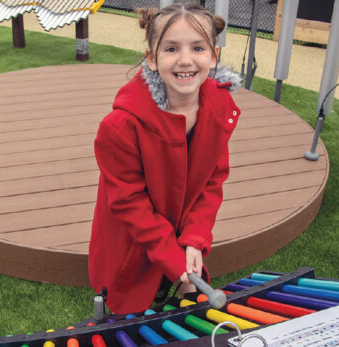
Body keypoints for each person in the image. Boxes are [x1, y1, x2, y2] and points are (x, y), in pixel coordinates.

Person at [88, 2, 243, 314]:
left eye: (198, 48)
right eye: (171, 49)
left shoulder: (219, 108)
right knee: (125, 312)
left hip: (180, 229)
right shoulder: (120, 127)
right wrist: (174, 259)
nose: (185, 60)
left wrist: (195, 239)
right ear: (152, 59)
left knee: (184, 312)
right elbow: (129, 202)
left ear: (213, 56)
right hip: (130, 241)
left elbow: (213, 180)